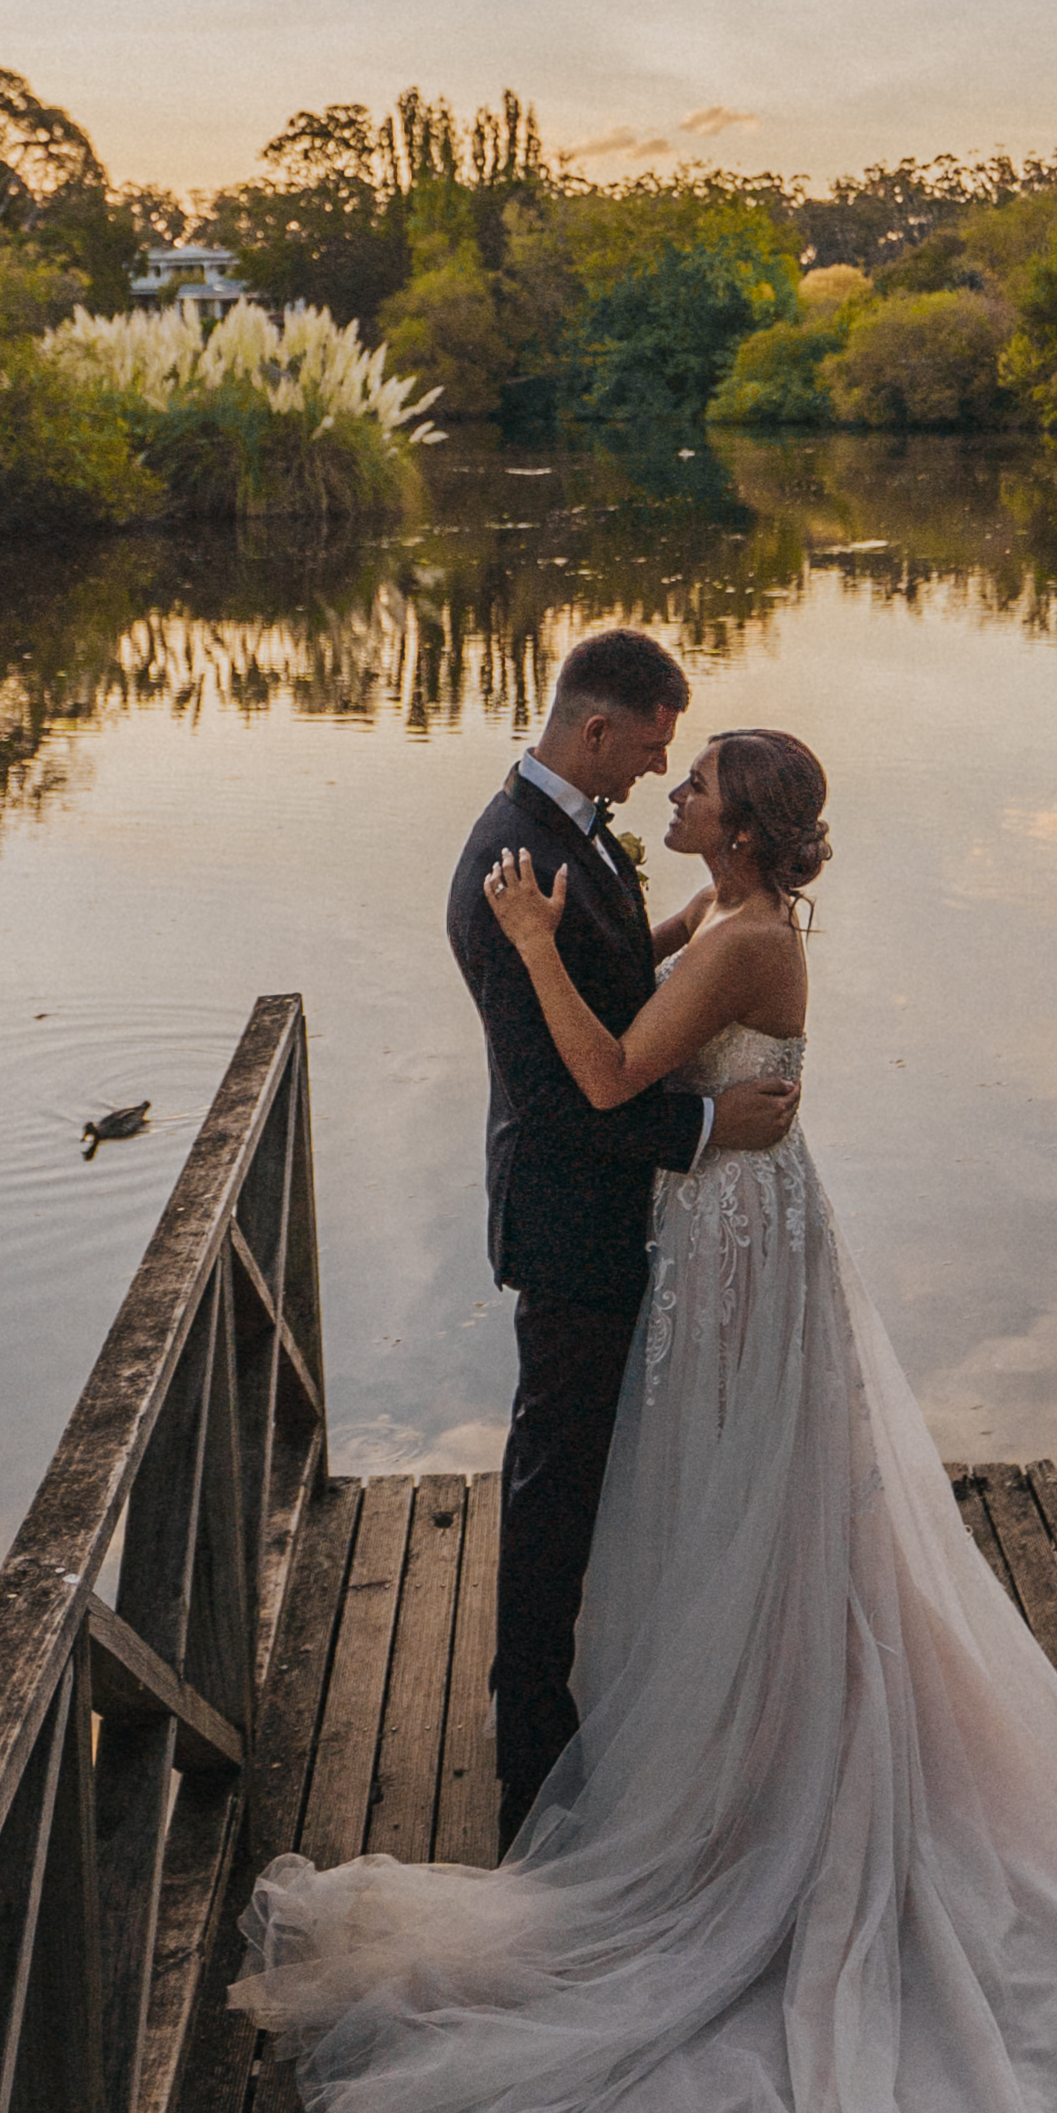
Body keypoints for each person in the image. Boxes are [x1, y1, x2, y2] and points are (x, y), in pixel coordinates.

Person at [244, 724, 1057, 2113]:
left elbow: (607, 1070)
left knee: (747, 1493)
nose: (673, 793)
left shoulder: (745, 944)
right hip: (736, 1224)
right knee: (751, 1500)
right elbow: (641, 965)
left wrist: (522, 942)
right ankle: (760, 1733)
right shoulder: (726, 915)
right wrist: (581, 926)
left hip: (735, 1241)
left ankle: (769, 1772)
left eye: (696, 787)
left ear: (738, 827)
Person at [445, 627, 799, 1824]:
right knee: (555, 1484)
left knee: (609, 1466)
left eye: (680, 765)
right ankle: (531, 1753)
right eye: (653, 748)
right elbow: (558, 1091)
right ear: (596, 729)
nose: (659, 771)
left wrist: (688, 927)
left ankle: (635, 1696)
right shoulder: (507, 863)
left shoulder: (573, 833)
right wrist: (703, 1128)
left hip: (626, 1211)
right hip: (568, 1216)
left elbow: (613, 984)